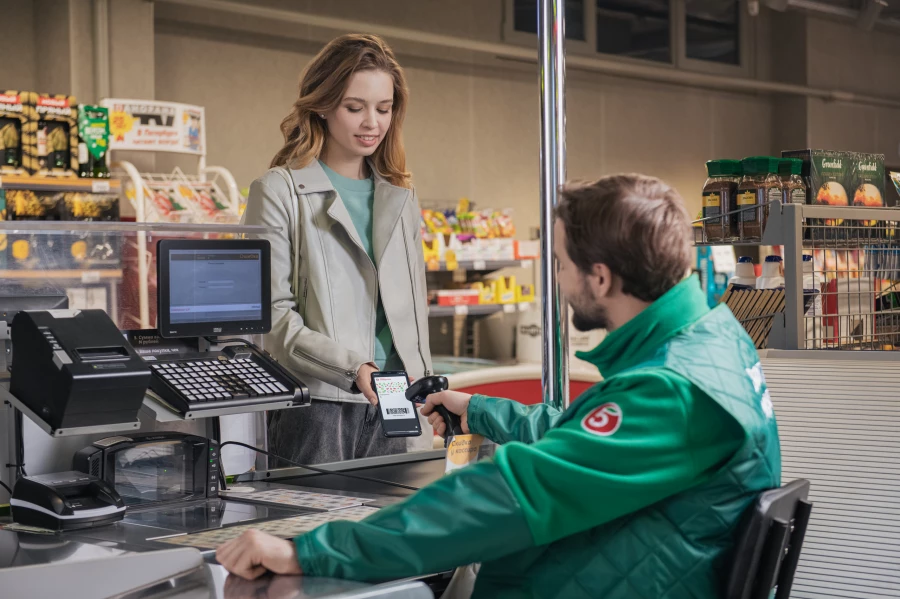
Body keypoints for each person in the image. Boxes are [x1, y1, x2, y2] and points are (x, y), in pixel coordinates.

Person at [219, 174, 782, 598]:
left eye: (559, 266)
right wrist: (481, 412)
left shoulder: (672, 391)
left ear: (602, 277)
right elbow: (583, 441)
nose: (557, 282)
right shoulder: (711, 339)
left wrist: (309, 549)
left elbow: (505, 497)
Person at [242, 34, 433, 465]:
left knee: (394, 528)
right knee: (308, 530)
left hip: (400, 396)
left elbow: (411, 312)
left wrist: (426, 388)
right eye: (355, 107)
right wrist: (352, 369)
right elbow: (270, 317)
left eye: (384, 109)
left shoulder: (401, 196)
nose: (372, 123)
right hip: (318, 404)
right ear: (322, 105)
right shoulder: (278, 192)